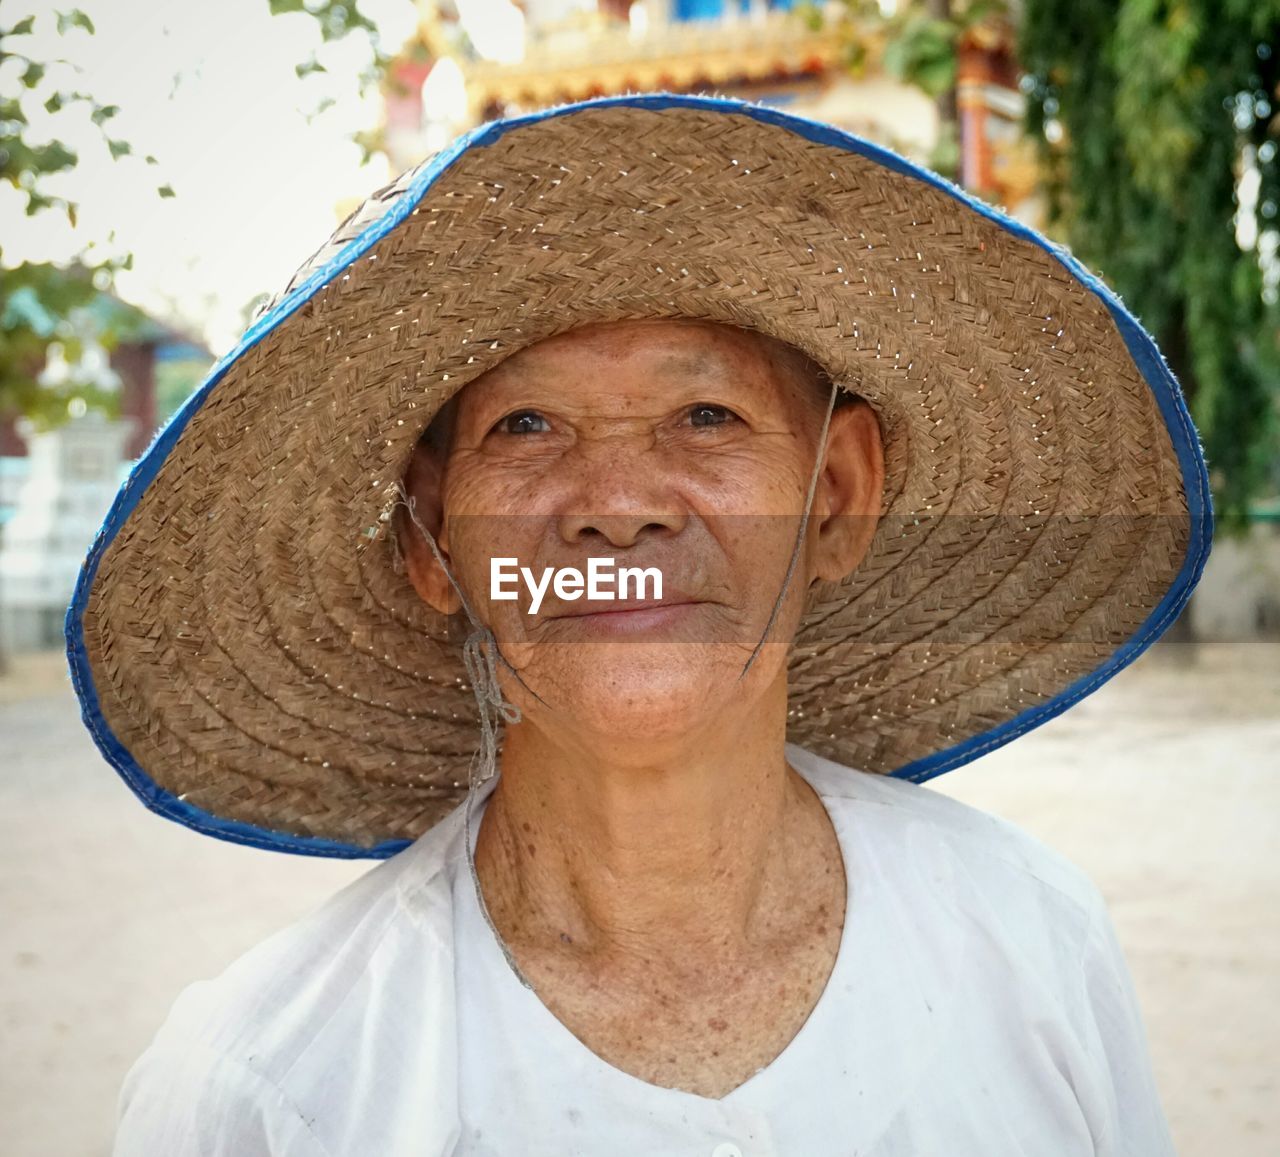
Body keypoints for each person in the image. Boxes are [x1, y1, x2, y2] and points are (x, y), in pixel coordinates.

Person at [68, 93, 1210, 1155]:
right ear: (429, 536)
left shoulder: (1029, 941)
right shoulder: (271, 1083)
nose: (617, 508)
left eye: (703, 415)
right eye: (525, 427)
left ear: (835, 497)